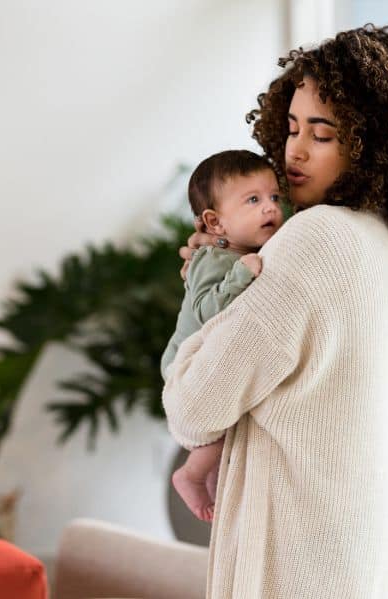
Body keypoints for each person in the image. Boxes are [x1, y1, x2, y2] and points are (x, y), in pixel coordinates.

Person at [162, 24, 388, 599]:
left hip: (295, 565)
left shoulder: (315, 238)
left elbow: (192, 408)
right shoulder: (373, 237)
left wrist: (200, 313)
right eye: (290, 129)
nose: (295, 151)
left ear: (373, 143)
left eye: (323, 134)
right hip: (345, 557)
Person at [161, 150, 285, 523]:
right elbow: (203, 311)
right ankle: (191, 474)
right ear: (215, 223)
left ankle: (215, 495)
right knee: (221, 416)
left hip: (209, 354)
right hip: (187, 358)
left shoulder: (246, 248)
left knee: (229, 427)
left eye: (274, 197)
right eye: (253, 200)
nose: (270, 209)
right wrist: (239, 276)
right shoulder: (213, 260)